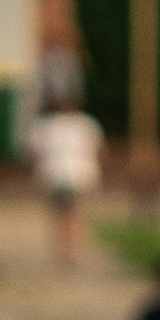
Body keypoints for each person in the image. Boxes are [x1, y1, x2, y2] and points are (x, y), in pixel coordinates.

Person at [29, 94, 106, 263]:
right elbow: (98, 148)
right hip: (79, 174)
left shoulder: (46, 125)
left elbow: (34, 152)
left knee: (59, 213)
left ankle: (62, 249)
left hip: (54, 174)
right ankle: (71, 249)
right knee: (74, 212)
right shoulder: (86, 124)